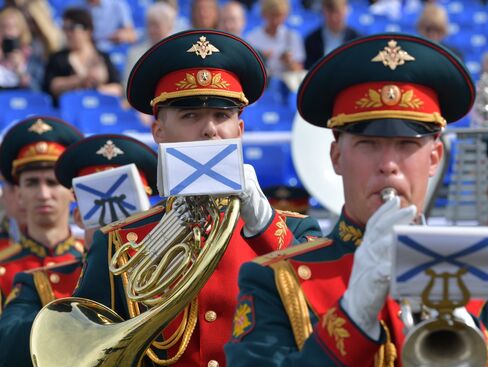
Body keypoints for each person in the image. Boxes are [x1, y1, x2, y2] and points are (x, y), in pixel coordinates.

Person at [225, 33, 488, 366]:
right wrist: (353, 317)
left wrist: (465, 328)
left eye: (407, 146)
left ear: (435, 157)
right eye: (368, 144)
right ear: (336, 156)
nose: (388, 165)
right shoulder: (275, 278)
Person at [70, 29, 322, 367]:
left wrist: (264, 226)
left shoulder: (294, 230)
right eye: (190, 116)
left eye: (222, 116)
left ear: (240, 131)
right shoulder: (118, 242)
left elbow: (322, 323)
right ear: (158, 132)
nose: (210, 130)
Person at [0, 133, 159, 367]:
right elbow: (8, 347)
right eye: (101, 214)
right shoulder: (36, 283)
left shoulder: (170, 278)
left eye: (129, 215)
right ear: (80, 218)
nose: (114, 230)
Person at [0, 116, 84, 308]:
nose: (43, 194)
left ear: (72, 192)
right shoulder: (3, 267)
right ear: (19, 194)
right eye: (31, 183)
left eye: (52, 182)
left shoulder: (94, 263)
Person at [42, 7, 122, 106]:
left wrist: (96, 89)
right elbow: (52, 86)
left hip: (99, 108)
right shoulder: (58, 58)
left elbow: (117, 88)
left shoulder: (102, 56)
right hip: (69, 110)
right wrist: (81, 79)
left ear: (87, 30)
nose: (67, 33)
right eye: (64, 28)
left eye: (72, 28)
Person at [246, 0, 305, 79]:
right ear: (263, 14)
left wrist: (289, 62)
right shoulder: (251, 38)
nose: (275, 21)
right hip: (263, 85)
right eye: (272, 15)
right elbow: (248, 70)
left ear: (285, 15)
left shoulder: (293, 37)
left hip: (284, 87)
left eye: (279, 16)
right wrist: (261, 59)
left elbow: (299, 71)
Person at [303, 0, 360, 70]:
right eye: (330, 13)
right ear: (323, 12)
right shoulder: (311, 40)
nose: (334, 18)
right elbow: (309, 69)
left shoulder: (357, 39)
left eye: (338, 13)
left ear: (346, 10)